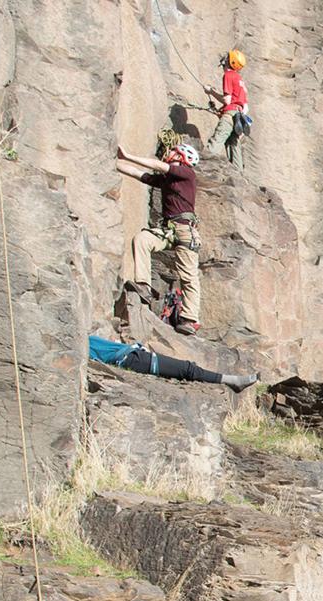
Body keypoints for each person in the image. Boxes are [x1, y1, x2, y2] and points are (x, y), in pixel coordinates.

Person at [116, 142, 203, 336]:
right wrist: (113, 161)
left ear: (182, 157)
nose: (169, 152)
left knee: (188, 276)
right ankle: (144, 286)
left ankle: (190, 319)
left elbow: (156, 166)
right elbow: (137, 174)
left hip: (184, 231)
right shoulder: (167, 180)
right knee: (142, 240)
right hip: (168, 230)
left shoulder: (186, 174)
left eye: (174, 151)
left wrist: (127, 155)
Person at [89, 335, 258, 391]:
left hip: (135, 355)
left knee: (187, 368)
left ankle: (232, 381)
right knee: (188, 369)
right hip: (132, 359)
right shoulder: (83, 344)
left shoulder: (83, 338)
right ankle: (234, 382)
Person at [205, 49, 250, 170]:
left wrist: (211, 91)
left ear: (230, 61)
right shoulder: (240, 80)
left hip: (230, 116)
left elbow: (227, 100)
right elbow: (245, 107)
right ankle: (238, 175)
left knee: (217, 140)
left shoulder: (229, 75)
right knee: (233, 146)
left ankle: (203, 164)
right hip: (238, 118)